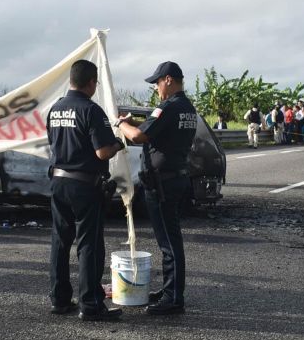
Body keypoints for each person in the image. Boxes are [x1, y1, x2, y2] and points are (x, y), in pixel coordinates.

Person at [47, 60, 125, 321]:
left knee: (60, 241)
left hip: (58, 181)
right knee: (88, 245)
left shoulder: (55, 109)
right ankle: (90, 305)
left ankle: (59, 299)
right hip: (84, 185)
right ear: (92, 82)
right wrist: (117, 143)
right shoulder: (92, 110)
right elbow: (102, 151)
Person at [117, 61, 197, 315]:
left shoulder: (170, 107)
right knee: (169, 240)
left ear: (169, 80)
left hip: (163, 182)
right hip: (174, 178)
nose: (156, 88)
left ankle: (173, 298)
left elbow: (139, 137)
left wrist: (120, 124)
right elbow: (153, 127)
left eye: (157, 83)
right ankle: (170, 290)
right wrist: (134, 122)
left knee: (169, 242)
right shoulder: (186, 107)